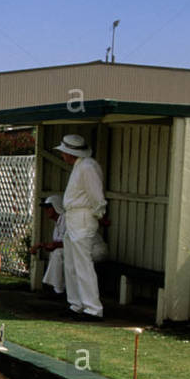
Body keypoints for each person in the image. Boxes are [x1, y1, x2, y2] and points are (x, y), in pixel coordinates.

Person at [56, 134, 107, 319]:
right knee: (71, 262)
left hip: (83, 217)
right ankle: (76, 304)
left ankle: (93, 308)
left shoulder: (88, 167)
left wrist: (99, 214)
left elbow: (96, 196)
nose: (63, 155)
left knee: (83, 263)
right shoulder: (81, 166)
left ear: (70, 153)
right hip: (74, 216)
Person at [30, 194, 66, 295]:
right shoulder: (58, 223)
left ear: (56, 206)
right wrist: (40, 246)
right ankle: (58, 287)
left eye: (49, 207)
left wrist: (53, 246)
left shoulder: (67, 220)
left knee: (58, 253)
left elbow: (69, 241)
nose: (47, 210)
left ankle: (57, 290)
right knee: (56, 253)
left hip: (92, 250)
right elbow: (57, 243)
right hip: (74, 251)